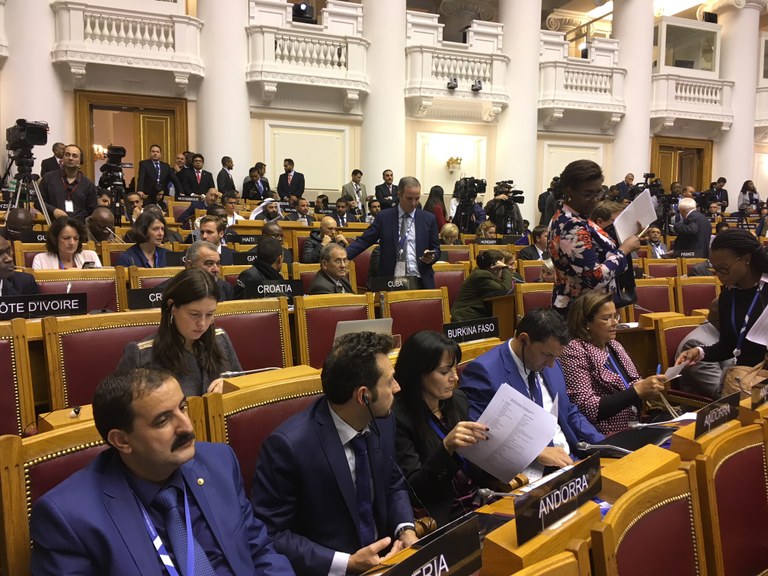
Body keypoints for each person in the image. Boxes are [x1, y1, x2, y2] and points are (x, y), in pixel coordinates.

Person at [30, 367, 294, 575]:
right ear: (121, 440)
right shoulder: (70, 518)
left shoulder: (219, 462)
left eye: (182, 407)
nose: (186, 426)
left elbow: (261, 552)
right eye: (163, 420)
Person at [251, 331, 416, 576]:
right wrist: (347, 563)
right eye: (390, 380)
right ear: (364, 396)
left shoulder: (383, 420)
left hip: (388, 562)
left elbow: (392, 482)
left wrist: (405, 530)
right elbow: (271, 533)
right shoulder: (288, 446)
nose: (397, 387)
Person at [460, 309, 604, 480]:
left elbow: (569, 411)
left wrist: (605, 446)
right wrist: (535, 452)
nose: (551, 364)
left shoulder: (551, 363)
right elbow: (479, 438)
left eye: (555, 357)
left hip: (571, 462)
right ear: (524, 340)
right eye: (547, 355)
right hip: (528, 475)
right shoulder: (484, 373)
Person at [393, 331, 489, 526]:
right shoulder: (398, 418)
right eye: (445, 372)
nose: (455, 378)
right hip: (443, 517)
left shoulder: (458, 400)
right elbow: (416, 491)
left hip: (481, 500)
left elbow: (475, 467)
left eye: (455, 369)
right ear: (418, 373)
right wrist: (446, 448)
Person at [116, 269, 241, 396]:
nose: (202, 324)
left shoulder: (220, 339)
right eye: (194, 314)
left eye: (209, 314)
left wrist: (232, 385)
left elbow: (242, 386)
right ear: (172, 307)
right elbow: (119, 405)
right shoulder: (141, 355)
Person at [559, 292, 666, 435]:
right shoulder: (575, 350)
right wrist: (637, 391)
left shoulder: (614, 345)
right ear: (586, 323)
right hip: (605, 433)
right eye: (606, 318)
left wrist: (648, 388)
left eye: (615, 316)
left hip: (634, 423)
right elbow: (586, 407)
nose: (615, 322)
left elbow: (632, 383)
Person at [548, 159, 640, 313]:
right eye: (588, 194)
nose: (596, 199)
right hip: (582, 311)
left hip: (592, 306)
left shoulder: (576, 217)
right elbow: (595, 278)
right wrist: (624, 250)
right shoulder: (571, 225)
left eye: (598, 193)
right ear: (569, 191)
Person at [676, 229, 768, 371]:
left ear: (746, 259)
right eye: (715, 269)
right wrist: (699, 352)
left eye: (724, 269)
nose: (718, 275)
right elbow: (729, 346)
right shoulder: (728, 296)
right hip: (747, 378)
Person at [347, 176, 440, 288]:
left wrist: (432, 257)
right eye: (409, 198)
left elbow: (436, 248)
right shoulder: (384, 217)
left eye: (417, 198)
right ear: (399, 195)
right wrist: (342, 256)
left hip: (421, 280)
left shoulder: (428, 219)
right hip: (391, 281)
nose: (413, 203)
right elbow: (364, 241)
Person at [675, 299, 725, 399]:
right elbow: (721, 392)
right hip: (709, 406)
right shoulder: (695, 344)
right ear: (725, 319)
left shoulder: (727, 336)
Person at [155, 241, 234, 301]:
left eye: (218, 263)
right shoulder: (164, 291)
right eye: (209, 264)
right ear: (190, 265)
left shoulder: (225, 288)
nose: (216, 269)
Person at [38, 144, 98, 222]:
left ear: (80, 161)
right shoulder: (48, 178)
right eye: (67, 155)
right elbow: (38, 202)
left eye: (75, 156)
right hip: (54, 225)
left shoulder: (88, 184)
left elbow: (92, 211)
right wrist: (53, 210)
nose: (70, 158)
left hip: (79, 226)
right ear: (62, 158)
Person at [450, 249, 512, 322]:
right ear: (493, 266)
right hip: (465, 318)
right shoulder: (481, 276)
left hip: (476, 315)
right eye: (501, 266)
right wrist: (506, 268)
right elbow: (504, 290)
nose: (502, 270)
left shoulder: (483, 272)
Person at [32, 216, 102, 270]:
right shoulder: (40, 259)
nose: (72, 243)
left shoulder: (91, 256)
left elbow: (100, 282)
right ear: (55, 239)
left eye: (76, 238)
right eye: (66, 238)